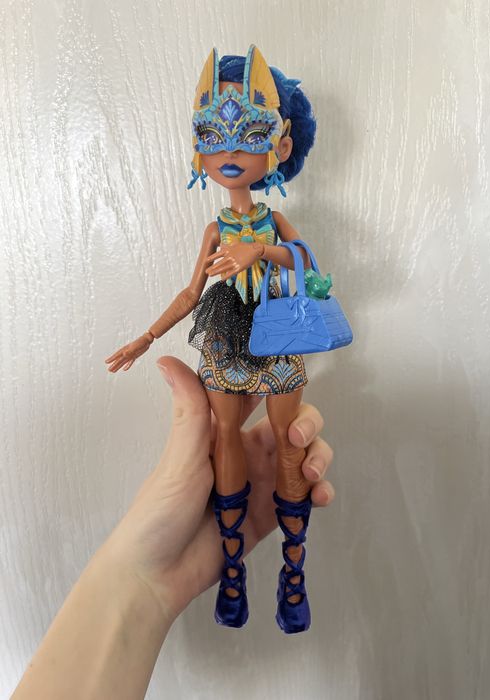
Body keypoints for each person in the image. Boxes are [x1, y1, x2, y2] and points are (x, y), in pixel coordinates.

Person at [105, 45, 320, 633]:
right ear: (199, 150)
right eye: (213, 136)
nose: (229, 151)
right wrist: (147, 337)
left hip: (277, 329)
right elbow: (190, 292)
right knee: (224, 432)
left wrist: (261, 250)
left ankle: (293, 571)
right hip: (225, 333)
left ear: (279, 148)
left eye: (249, 135)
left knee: (289, 441)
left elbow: (308, 262)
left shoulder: (271, 220)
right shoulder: (214, 227)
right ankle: (231, 567)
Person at [11, 357, 335, 700]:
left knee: (285, 438)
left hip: (270, 345)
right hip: (234, 346)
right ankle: (247, 576)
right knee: (249, 434)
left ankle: (286, 576)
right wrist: (149, 337)